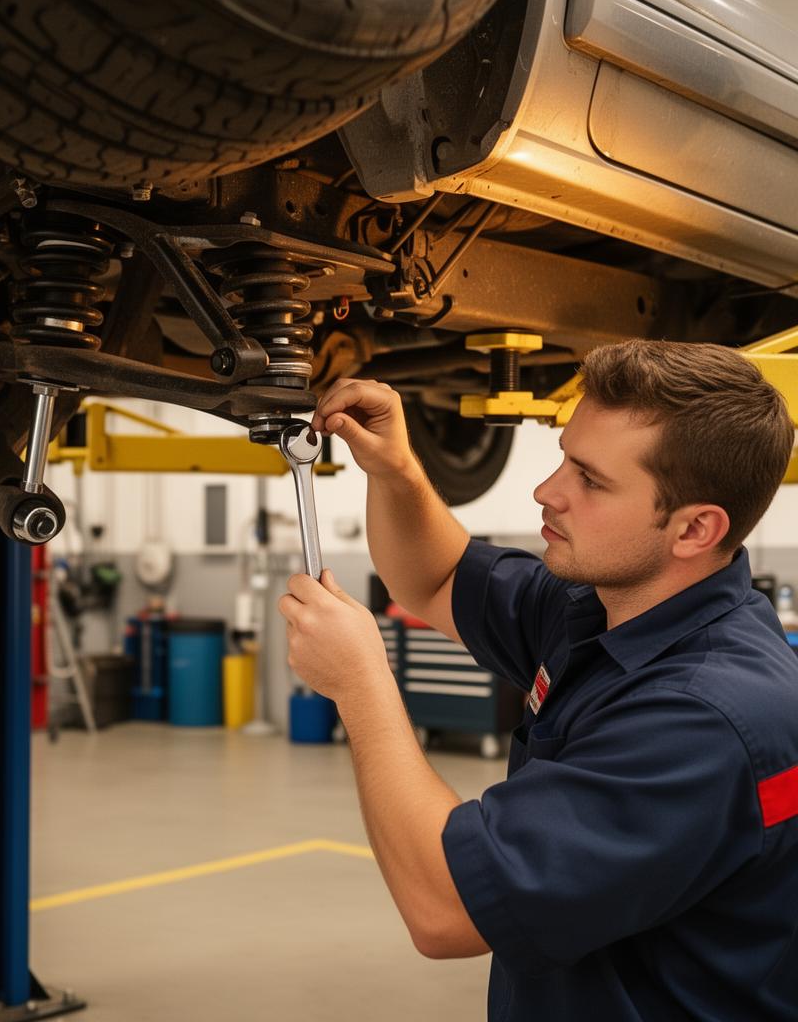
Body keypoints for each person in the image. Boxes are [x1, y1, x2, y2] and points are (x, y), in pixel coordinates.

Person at [278, 340, 798, 1021]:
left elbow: (446, 910)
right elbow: (434, 577)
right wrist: (399, 472)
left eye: (590, 479)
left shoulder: (705, 718)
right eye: (563, 459)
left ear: (695, 528)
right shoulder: (604, 611)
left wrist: (361, 684)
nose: (546, 491)